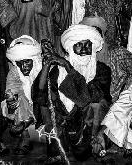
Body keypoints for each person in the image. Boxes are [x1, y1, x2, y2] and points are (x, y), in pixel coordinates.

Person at [32, 24, 112, 163]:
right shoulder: (58, 69)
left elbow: (86, 98)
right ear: (70, 47)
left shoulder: (101, 70)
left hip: (86, 124)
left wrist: (67, 66)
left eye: (87, 45)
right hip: (63, 123)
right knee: (46, 98)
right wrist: (48, 62)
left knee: (99, 104)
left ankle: (94, 142)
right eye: (79, 45)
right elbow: (39, 94)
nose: (84, 50)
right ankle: (56, 145)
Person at [2, 35, 42, 155]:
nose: (23, 66)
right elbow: (11, 91)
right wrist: (11, 103)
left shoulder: (43, 69)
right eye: (20, 63)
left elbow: (45, 99)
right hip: (27, 113)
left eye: (27, 62)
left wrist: (27, 121)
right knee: (16, 100)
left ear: (34, 59)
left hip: (43, 112)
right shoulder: (15, 71)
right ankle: (25, 137)